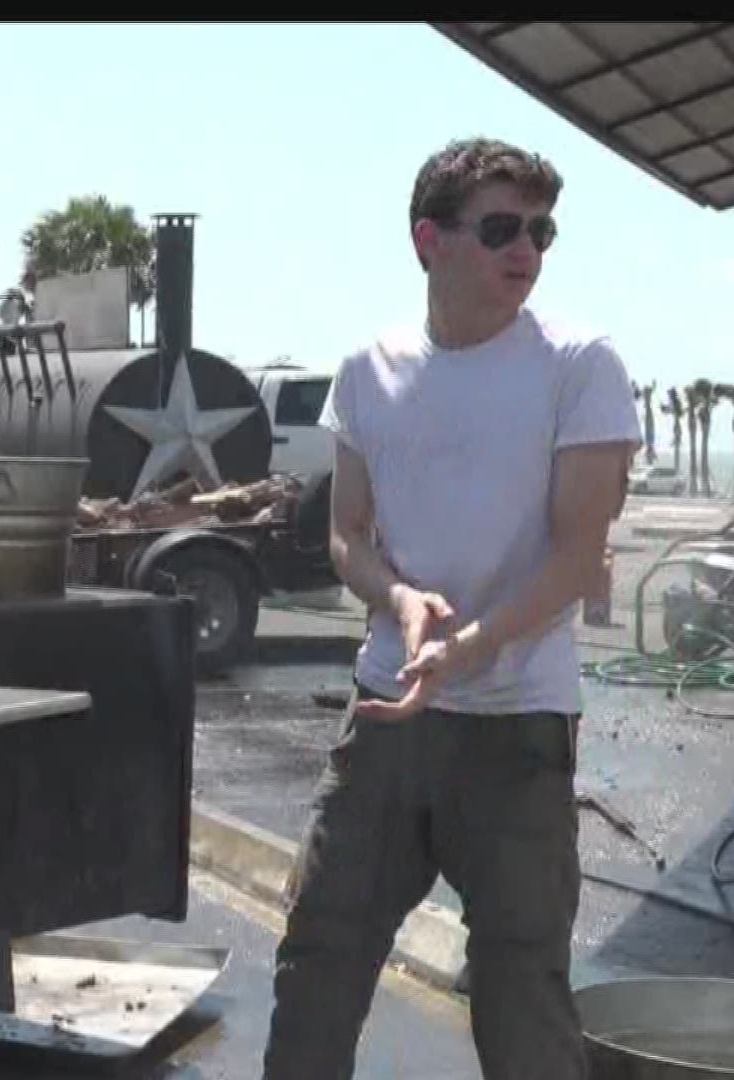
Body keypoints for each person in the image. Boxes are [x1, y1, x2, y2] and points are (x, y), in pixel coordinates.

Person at [261, 137, 641, 1079]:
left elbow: (575, 557)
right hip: (385, 720)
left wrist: (465, 649)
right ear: (429, 240)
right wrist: (398, 597)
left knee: (521, 993)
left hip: (517, 732)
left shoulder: (579, 365)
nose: (528, 251)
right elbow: (345, 534)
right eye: (503, 228)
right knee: (317, 957)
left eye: (542, 231)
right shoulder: (369, 371)